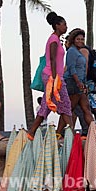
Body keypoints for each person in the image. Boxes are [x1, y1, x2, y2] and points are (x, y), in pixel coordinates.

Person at [27, 12, 73, 140]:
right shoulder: (53, 39)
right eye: (64, 25)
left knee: (47, 106)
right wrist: (54, 78)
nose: (66, 27)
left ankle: (31, 132)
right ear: (57, 25)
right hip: (53, 77)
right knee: (65, 103)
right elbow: (52, 59)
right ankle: (72, 134)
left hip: (55, 76)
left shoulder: (57, 39)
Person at [57, 29, 94, 136]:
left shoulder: (78, 51)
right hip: (72, 83)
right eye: (78, 39)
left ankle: (93, 131)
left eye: (82, 39)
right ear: (73, 40)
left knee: (85, 107)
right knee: (69, 109)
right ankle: (59, 132)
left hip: (80, 84)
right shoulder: (71, 51)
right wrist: (78, 82)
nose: (81, 41)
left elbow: (82, 68)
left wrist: (83, 83)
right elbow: (71, 68)